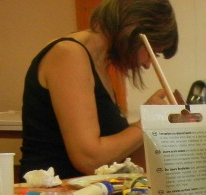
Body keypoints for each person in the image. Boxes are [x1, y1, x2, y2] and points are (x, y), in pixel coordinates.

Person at [20, 0, 179, 179]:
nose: (148, 64)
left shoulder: (100, 64)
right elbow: (89, 159)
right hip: (53, 191)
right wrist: (147, 121)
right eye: (152, 52)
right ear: (133, 30)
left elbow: (119, 157)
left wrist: (164, 125)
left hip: (85, 189)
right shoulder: (69, 55)